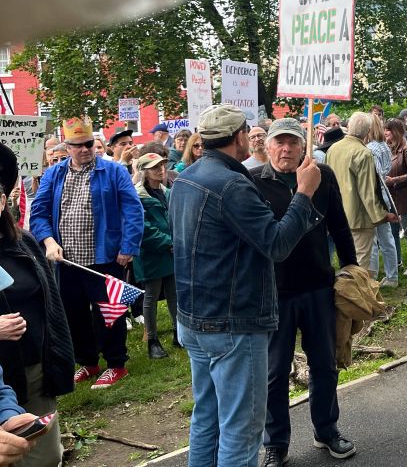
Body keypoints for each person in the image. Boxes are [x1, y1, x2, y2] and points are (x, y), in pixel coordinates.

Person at [169, 104, 325, 467]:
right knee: (241, 430)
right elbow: (277, 245)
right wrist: (303, 194)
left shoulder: (187, 178)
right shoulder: (232, 184)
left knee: (207, 417)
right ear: (240, 137)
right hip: (232, 322)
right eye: (248, 132)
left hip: (194, 318)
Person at [249, 119, 358, 466]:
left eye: (292, 143)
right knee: (274, 373)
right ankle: (276, 444)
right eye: (279, 143)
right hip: (275, 293)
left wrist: (352, 270)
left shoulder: (322, 176)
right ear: (267, 147)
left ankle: (326, 430)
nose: (285, 150)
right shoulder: (252, 183)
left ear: (303, 146)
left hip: (318, 287)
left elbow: (339, 225)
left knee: (325, 365)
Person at [29, 116, 143, 390]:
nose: (84, 149)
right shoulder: (54, 174)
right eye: (78, 145)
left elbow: (133, 210)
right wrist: (48, 241)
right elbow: (39, 212)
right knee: (73, 314)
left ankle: (116, 363)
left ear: (95, 143)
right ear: (67, 147)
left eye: (89, 144)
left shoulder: (113, 171)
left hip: (105, 257)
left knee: (109, 312)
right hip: (66, 261)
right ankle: (88, 362)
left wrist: (128, 247)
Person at [0, 144, 73, 467]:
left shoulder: (24, 242)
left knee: (45, 456)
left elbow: (51, 305)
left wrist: (57, 356)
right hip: (3, 370)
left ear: (2, 201)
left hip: (34, 367)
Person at [325, 113, 393, 271]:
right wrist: (382, 215)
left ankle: (348, 293)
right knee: (360, 265)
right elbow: (368, 191)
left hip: (337, 215)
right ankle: (354, 295)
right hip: (358, 217)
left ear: (348, 127)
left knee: (346, 262)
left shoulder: (333, 149)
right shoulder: (363, 153)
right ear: (368, 131)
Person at [131, 153, 178, 359]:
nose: (160, 170)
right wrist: (168, 242)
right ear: (144, 171)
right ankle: (152, 340)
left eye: (162, 166)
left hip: (170, 250)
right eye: (154, 167)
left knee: (174, 293)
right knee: (150, 296)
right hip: (151, 254)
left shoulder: (167, 191)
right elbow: (143, 227)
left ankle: (179, 333)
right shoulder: (138, 195)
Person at [384, 118, 407, 276]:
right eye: (385, 130)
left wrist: (395, 180)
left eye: (388, 130)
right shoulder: (389, 148)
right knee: (392, 231)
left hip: (405, 195)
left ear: (396, 131)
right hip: (391, 194)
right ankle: (396, 260)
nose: (385, 133)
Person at [364, 119, 399, 287]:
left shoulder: (371, 148)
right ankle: (392, 275)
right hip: (384, 193)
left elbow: (375, 175)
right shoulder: (384, 145)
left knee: (374, 239)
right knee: (386, 238)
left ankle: (375, 276)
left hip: (377, 195)